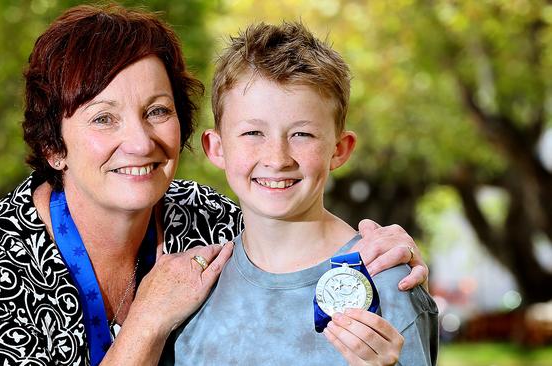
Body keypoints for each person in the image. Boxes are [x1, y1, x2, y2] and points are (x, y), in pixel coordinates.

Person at [0, 4, 430, 366]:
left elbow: (290, 233)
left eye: (157, 111)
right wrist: (147, 321)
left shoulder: (208, 220)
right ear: (54, 147)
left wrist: (387, 257)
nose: (139, 142)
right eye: (103, 118)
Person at [164, 22, 438, 365]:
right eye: (252, 132)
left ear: (339, 149)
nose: (277, 159)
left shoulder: (388, 281)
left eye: (302, 135)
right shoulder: (192, 289)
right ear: (216, 148)